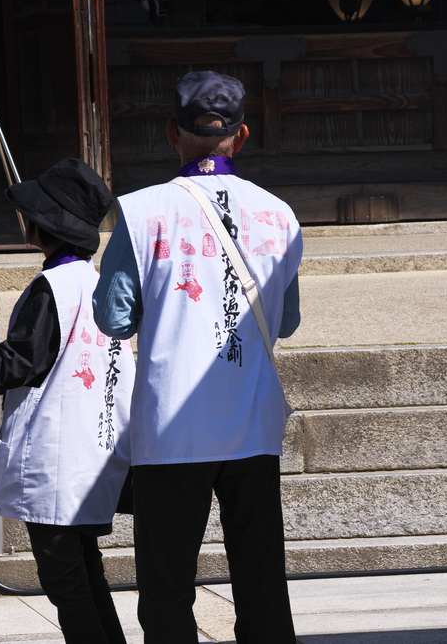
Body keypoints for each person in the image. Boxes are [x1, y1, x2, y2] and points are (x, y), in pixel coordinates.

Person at [92, 71, 303, 643]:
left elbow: (114, 318)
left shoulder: (140, 212)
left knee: (167, 585)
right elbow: (286, 321)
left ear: (171, 132)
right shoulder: (280, 214)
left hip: (172, 426)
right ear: (242, 134)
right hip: (252, 421)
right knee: (261, 577)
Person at [0, 158, 134, 644]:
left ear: (44, 226)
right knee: (86, 575)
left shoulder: (51, 288)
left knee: (68, 584)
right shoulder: (96, 282)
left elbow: (8, 367)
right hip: (96, 454)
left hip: (58, 459)